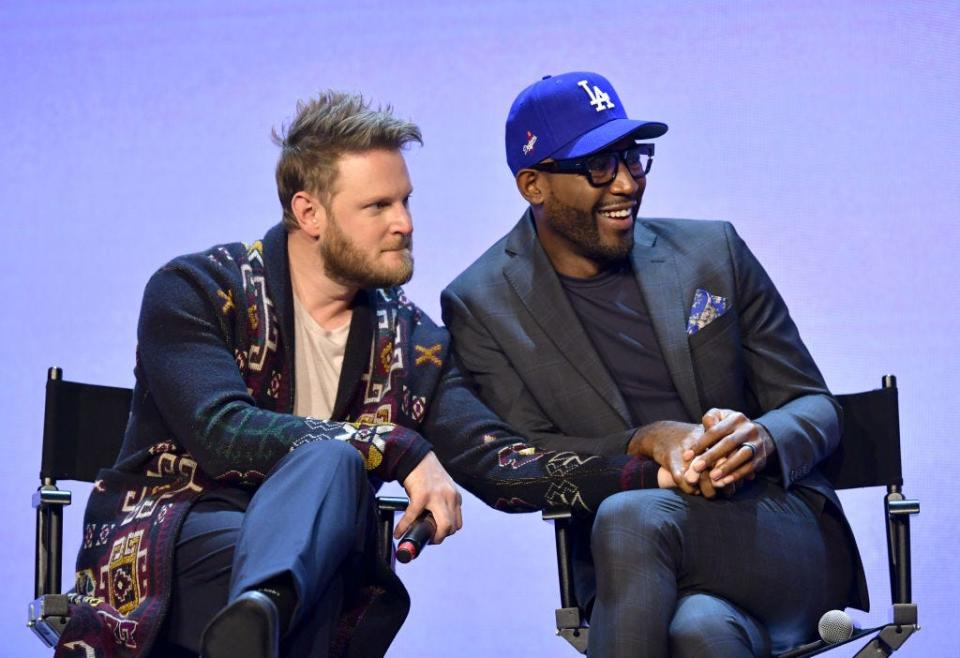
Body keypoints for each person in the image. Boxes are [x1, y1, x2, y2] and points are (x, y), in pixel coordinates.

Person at [55, 91, 671, 658]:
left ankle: (261, 616)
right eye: (377, 205)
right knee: (334, 464)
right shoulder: (195, 290)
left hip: (323, 574)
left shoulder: (413, 341)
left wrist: (648, 464)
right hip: (179, 541)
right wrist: (398, 448)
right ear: (309, 212)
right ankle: (261, 609)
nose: (403, 222)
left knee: (337, 556)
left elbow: (496, 461)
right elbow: (222, 432)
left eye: (405, 201)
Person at [441, 71, 868, 657]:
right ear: (533, 185)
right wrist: (646, 440)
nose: (626, 183)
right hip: (635, 577)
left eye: (633, 158)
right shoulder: (481, 302)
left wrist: (761, 438)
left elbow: (817, 406)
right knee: (699, 632)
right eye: (598, 164)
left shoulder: (713, 251)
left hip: (777, 533)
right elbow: (531, 456)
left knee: (631, 517)